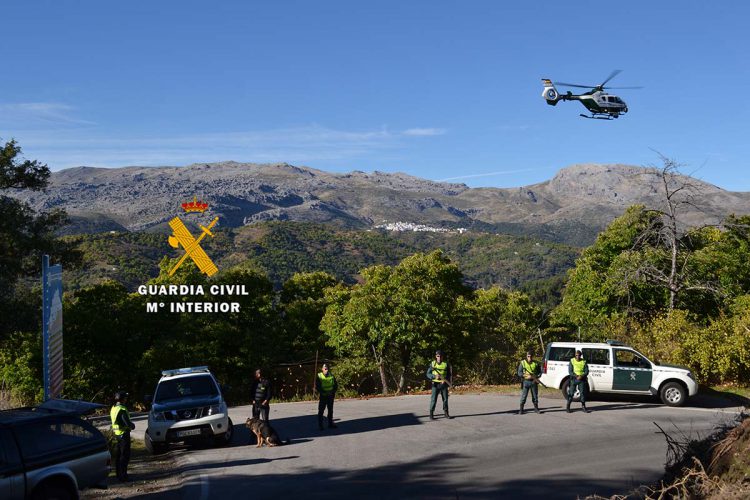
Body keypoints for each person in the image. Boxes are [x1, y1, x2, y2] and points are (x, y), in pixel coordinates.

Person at [110, 391, 136, 482]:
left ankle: (118, 474)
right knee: (124, 456)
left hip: (117, 434)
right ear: (122, 399)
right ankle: (123, 476)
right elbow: (126, 422)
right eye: (125, 397)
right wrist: (132, 425)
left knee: (119, 455)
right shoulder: (121, 409)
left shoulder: (114, 408)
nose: (126, 399)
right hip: (123, 434)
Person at [426, 350, 453, 420]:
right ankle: (431, 414)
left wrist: (445, 380)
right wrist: (434, 376)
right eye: (438, 356)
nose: (439, 357)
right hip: (435, 384)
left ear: (442, 357)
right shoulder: (433, 364)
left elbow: (449, 375)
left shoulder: (446, 364)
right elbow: (428, 374)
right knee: (433, 400)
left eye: (440, 356)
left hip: (443, 384)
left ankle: (446, 413)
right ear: (436, 356)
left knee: (445, 400)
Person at [316, 362, 338, 430]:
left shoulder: (332, 376)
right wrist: (323, 392)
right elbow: (318, 386)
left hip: (330, 396)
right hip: (323, 396)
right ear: (322, 369)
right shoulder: (319, 376)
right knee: (321, 411)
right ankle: (320, 425)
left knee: (330, 410)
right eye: (325, 369)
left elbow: (335, 386)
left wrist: (332, 392)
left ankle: (330, 424)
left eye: (327, 369)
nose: (326, 370)